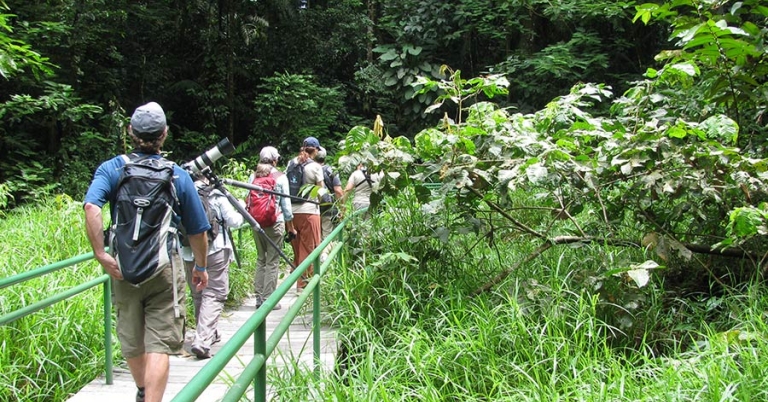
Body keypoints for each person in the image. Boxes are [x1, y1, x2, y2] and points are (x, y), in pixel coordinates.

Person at [84, 102, 210, 402]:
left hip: (123, 267)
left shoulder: (112, 168)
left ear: (131, 132)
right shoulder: (177, 175)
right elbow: (197, 231)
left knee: (131, 338)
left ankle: (142, 390)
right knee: (161, 344)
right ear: (164, 135)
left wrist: (101, 253)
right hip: (164, 268)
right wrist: (201, 267)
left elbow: (91, 206)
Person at [182, 173, 244, 359]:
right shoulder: (215, 195)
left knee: (198, 292)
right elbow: (234, 221)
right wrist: (241, 207)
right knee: (215, 294)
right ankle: (202, 340)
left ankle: (210, 332)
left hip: (188, 252)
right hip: (215, 250)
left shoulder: (181, 194)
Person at [248, 147, 296, 309]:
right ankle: (269, 299)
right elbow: (287, 208)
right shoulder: (280, 177)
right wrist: (291, 227)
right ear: (275, 160)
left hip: (256, 223)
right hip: (275, 223)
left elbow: (248, 199)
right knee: (272, 261)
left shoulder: (253, 176)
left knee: (261, 259)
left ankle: (258, 298)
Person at [287, 137, 325, 290]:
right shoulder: (315, 167)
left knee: (297, 250)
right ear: (315, 150)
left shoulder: (291, 163)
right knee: (309, 249)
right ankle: (303, 286)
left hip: (291, 213)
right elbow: (321, 191)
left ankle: (298, 281)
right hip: (309, 212)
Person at [315, 146, 344, 240]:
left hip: (312, 208)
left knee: (315, 236)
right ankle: (326, 254)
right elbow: (338, 191)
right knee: (327, 236)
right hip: (328, 207)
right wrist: (342, 208)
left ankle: (318, 253)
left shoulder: (308, 169)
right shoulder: (330, 170)